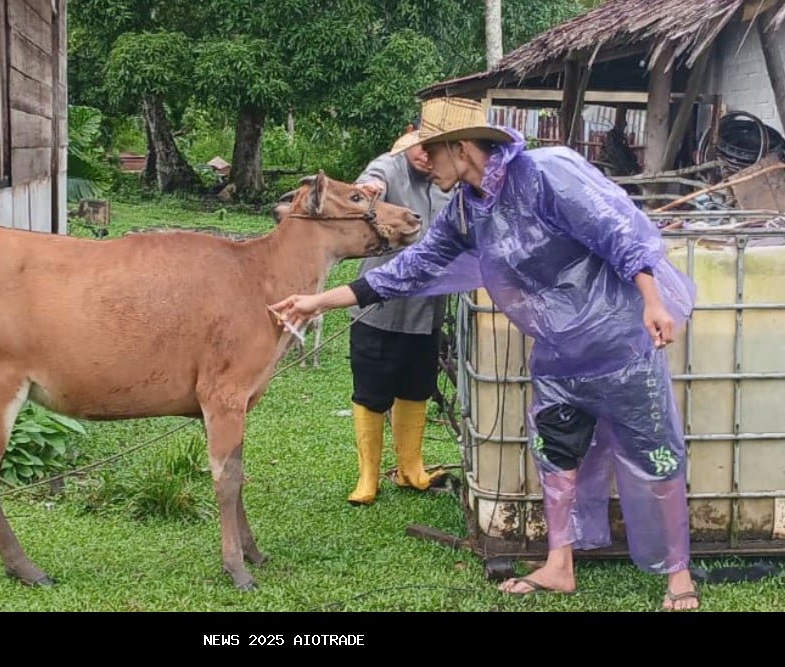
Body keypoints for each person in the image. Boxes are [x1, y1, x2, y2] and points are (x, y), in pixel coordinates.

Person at [270, 97, 700, 610]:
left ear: (460, 147)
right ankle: (559, 566)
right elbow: (410, 269)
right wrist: (320, 300)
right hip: (559, 351)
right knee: (556, 453)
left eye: (431, 151)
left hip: (619, 340)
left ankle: (678, 575)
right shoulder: (466, 209)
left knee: (654, 451)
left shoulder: (546, 173)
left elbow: (618, 230)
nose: (424, 161)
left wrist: (652, 301)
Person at [344, 124, 453, 506]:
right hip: (380, 308)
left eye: (434, 148)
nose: (426, 155)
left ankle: (411, 469)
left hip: (428, 311)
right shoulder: (388, 168)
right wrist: (368, 190)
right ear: (407, 141)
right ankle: (368, 477)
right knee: (371, 391)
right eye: (420, 147)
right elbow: (369, 183)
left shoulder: (447, 180)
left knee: (417, 387)